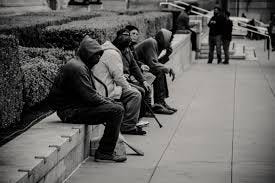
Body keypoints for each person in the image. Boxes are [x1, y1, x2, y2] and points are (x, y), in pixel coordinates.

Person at [47, 35, 126, 162]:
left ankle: (106, 148)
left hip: (76, 107)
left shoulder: (80, 65)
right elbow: (90, 97)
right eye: (97, 55)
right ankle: (105, 152)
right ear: (88, 54)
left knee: (117, 107)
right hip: (70, 112)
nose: (99, 58)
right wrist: (109, 102)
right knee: (116, 111)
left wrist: (109, 101)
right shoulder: (77, 68)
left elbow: (91, 93)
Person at [92, 32, 146, 135]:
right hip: (104, 89)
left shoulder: (106, 49)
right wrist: (129, 88)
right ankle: (128, 126)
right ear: (124, 48)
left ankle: (127, 122)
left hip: (102, 85)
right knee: (135, 95)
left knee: (135, 91)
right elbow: (119, 77)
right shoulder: (113, 54)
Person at [134, 28, 177, 115]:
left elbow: (157, 63)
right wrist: (168, 69)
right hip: (136, 69)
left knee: (160, 71)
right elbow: (153, 64)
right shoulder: (151, 42)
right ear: (164, 39)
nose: (170, 43)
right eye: (169, 41)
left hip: (143, 68)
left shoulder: (157, 44)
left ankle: (161, 102)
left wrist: (167, 55)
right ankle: (159, 104)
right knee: (160, 72)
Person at [113, 29, 151, 123]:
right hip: (119, 80)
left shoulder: (127, 49)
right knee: (139, 91)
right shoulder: (114, 50)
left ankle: (138, 118)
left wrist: (143, 80)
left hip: (128, 78)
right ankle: (130, 121)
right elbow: (115, 72)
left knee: (145, 87)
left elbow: (134, 65)